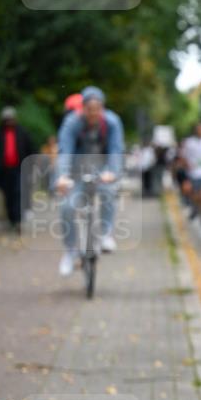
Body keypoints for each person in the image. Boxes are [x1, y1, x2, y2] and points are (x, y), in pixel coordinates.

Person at [55, 86, 125, 276]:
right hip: (76, 171)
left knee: (108, 191)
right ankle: (70, 252)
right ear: (82, 108)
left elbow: (116, 150)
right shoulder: (72, 123)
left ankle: (104, 234)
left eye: (97, 109)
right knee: (67, 207)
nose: (93, 113)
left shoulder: (112, 122)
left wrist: (112, 171)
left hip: (102, 169)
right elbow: (65, 151)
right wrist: (63, 176)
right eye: (89, 109)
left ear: (102, 108)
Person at [0, 106, 34, 231]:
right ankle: (12, 219)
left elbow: (30, 149)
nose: (9, 122)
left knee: (18, 192)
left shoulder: (22, 132)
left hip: (18, 168)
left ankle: (18, 220)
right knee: (8, 195)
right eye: (7, 120)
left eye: (11, 119)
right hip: (3, 170)